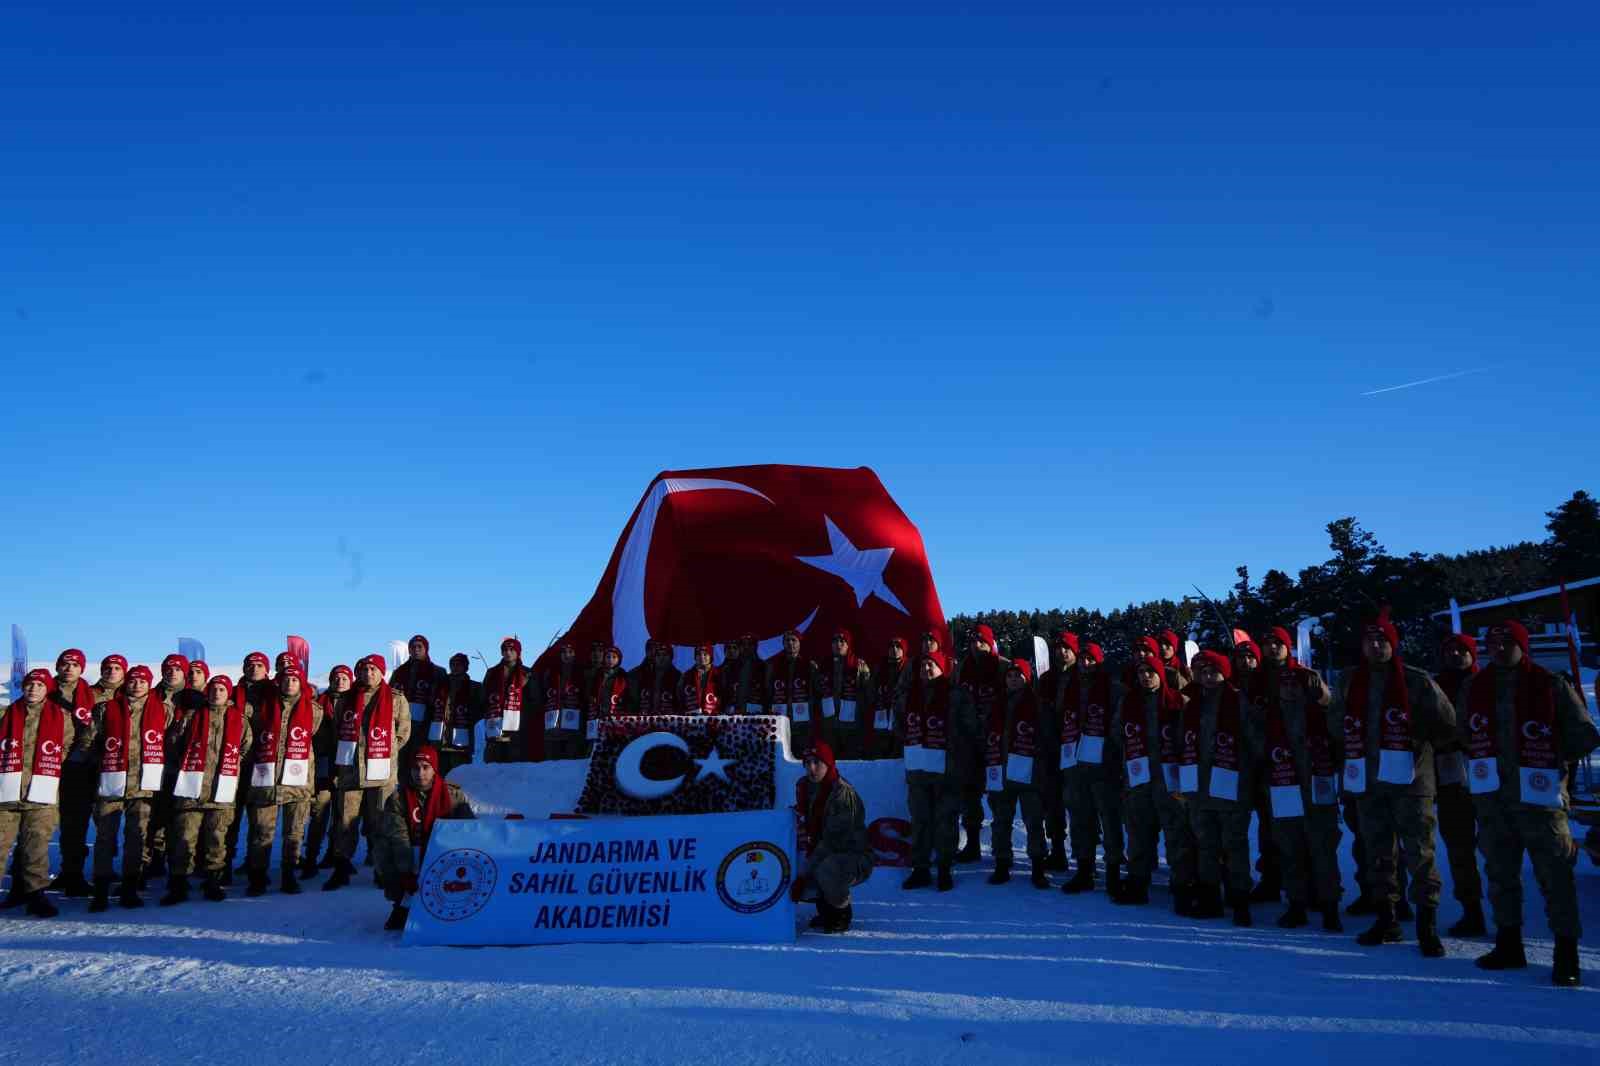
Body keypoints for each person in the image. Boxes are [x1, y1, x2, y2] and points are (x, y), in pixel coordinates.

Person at [1463, 620, 1599, 987]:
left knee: (1556, 876)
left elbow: (1586, 735)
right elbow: (1463, 732)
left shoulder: (1551, 685)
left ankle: (1566, 953)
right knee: (1500, 874)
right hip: (1494, 800)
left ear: (1523, 645)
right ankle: (1509, 944)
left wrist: (1553, 758)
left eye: (1507, 641)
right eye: (1493, 641)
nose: (1499, 648)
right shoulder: (1476, 687)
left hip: (1541, 800)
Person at [1334, 609, 1456, 957]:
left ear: (1393, 644)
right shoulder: (1348, 681)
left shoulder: (1417, 681)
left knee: (1420, 852)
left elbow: (1448, 725)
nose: (1375, 645)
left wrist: (1416, 742)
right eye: (1370, 640)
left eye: (1382, 640)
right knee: (1378, 851)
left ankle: (1426, 924)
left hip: (1411, 780)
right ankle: (1386, 917)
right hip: (1369, 781)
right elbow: (1334, 723)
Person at [1255, 630, 1342, 931]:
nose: (1290, 689)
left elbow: (1338, 724)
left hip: (1318, 782)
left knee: (1323, 847)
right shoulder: (1269, 716)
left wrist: (1320, 693)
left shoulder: (1318, 710)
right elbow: (1255, 743)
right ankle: (1296, 903)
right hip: (1282, 784)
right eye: (1285, 685)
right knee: (1289, 846)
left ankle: (1329, 904)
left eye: (1295, 684)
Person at [1178, 650, 1260, 925]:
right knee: (1206, 846)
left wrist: (1250, 775)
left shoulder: (1239, 702)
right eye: (1203, 672)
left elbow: (1256, 743)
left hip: (1231, 787)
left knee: (1234, 845)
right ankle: (1210, 897)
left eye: (1214, 671)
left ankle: (1240, 899)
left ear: (1225, 673)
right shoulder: (1191, 704)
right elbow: (1181, 741)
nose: (1208, 677)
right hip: (1199, 788)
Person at [1113, 654, 1194, 909]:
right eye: (1141, 673)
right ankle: (1137, 883)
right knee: (1138, 833)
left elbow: (1192, 739)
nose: (1146, 677)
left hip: (1172, 781)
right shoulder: (1128, 702)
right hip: (1139, 779)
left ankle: (1182, 885)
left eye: (1151, 672)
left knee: (1177, 835)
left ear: (1161, 674)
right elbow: (1117, 736)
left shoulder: (1179, 702)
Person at [164, 673, 251, 905]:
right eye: (213, 689)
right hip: (190, 791)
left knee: (217, 838)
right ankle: (178, 883)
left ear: (228, 693)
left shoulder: (239, 720)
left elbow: (245, 748)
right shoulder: (190, 717)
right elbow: (173, 745)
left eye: (222, 690)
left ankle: (213, 881)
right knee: (183, 837)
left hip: (222, 791)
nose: (217, 693)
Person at [326, 655, 411, 890]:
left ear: (382, 672)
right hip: (350, 772)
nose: (368, 673)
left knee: (380, 823)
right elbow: (337, 731)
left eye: (373, 669)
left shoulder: (396, 699)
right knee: (345, 822)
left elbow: (403, 732)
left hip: (381, 772)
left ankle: (382, 870)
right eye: (364, 669)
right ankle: (341, 867)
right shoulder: (346, 699)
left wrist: (384, 752)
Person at [89, 665, 167, 911]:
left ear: (149, 684)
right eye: (133, 680)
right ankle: (100, 890)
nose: (137, 685)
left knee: (137, 837)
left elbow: (172, 741)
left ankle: (130, 887)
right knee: (104, 838)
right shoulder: (104, 709)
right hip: (110, 783)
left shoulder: (164, 710)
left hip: (144, 786)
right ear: (126, 683)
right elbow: (90, 741)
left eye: (143, 681)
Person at [897, 652, 977, 891]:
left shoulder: (957, 696)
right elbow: (899, 725)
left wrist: (955, 751)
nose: (927, 669)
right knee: (920, 819)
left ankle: (944, 868)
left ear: (943, 668)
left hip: (947, 770)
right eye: (923, 665)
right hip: (918, 767)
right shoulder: (908, 695)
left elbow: (970, 729)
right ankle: (920, 868)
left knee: (946, 820)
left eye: (931, 665)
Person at [243, 663, 323, 896]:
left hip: (298, 783)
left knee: (294, 832)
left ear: (302, 684)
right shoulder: (261, 708)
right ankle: (258, 877)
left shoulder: (315, 711)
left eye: (295, 680)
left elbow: (319, 738)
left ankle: (289, 875)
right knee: (262, 831)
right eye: (286, 680)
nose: (290, 684)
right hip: (265, 780)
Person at [0, 670, 74, 917]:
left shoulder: (61, 717)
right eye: (30, 685)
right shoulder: (6, 714)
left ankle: (35, 894)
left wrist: (53, 764)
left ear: (47, 690)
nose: (33, 689)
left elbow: (72, 743)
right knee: (1, 843)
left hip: (42, 790)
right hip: (6, 791)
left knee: (36, 845)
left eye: (39, 686)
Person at [377, 745, 473, 931]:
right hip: (409, 853)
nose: (420, 773)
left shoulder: (453, 795)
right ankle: (402, 903)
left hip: (443, 854)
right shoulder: (398, 799)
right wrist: (406, 874)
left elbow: (469, 830)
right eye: (416, 767)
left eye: (425, 767)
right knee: (383, 847)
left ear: (434, 769)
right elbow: (399, 839)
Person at [1058, 642, 1124, 897]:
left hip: (1103, 764)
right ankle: (1084, 869)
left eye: (1090, 660)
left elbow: (1121, 724)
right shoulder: (1069, 688)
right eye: (1082, 659)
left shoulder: (1114, 689)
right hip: (1074, 763)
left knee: (1109, 819)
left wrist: (1110, 749)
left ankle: (1113, 872)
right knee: (1080, 818)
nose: (1085, 664)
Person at [1433, 633, 1487, 937]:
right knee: (1459, 846)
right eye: (1450, 650)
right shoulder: (1435, 684)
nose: (1455, 654)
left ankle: (1510, 916)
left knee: (1498, 848)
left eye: (1461, 650)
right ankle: (1472, 910)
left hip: (1491, 776)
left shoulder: (1489, 682)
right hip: (1451, 775)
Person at [46, 649, 110, 899]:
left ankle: (73, 873)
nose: (69, 668)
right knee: (38, 823)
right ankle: (26, 878)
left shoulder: (91, 696)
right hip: (45, 764)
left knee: (76, 823)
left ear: (82, 669)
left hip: (79, 766)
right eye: (65, 663)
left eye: (75, 664)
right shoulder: (44, 691)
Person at [791, 741, 872, 932]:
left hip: (853, 855)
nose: (811, 768)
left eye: (817, 762)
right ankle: (825, 911)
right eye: (807, 762)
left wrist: (805, 874)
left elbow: (834, 841)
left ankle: (841, 913)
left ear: (829, 764)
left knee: (825, 869)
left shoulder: (842, 794)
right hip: (824, 851)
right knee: (802, 866)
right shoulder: (806, 787)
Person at [984, 659, 1050, 888]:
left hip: (1029, 771)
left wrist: (1039, 762)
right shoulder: (997, 704)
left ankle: (1038, 866)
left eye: (1018, 675)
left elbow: (1047, 736)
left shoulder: (1038, 704)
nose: (1013, 679)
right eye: (1010, 675)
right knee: (1001, 819)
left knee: (1033, 819)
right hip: (1001, 769)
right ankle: (1002, 862)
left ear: (1027, 678)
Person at [954, 625, 1007, 863]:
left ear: (990, 644)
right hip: (967, 741)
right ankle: (973, 844)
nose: (977, 647)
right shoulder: (961, 669)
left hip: (995, 742)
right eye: (973, 642)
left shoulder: (1004, 667)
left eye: (982, 642)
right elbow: (953, 701)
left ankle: (1001, 850)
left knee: (998, 796)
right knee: (969, 794)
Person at [221, 651, 273, 883]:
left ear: (267, 669)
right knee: (228, 819)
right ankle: (223, 865)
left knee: (260, 820)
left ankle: (255, 866)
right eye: (250, 665)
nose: (254, 668)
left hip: (263, 761)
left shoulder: (275, 693)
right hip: (234, 763)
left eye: (259, 665)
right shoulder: (231, 692)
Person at [144, 652, 191, 881]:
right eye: (169, 669)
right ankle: (151, 861)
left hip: (181, 767)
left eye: (177, 669)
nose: (172, 673)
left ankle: (177, 864)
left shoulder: (193, 698)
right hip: (151, 765)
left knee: (178, 819)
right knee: (151, 817)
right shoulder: (149, 696)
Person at [300, 664, 350, 878]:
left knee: (343, 815)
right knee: (319, 812)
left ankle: (336, 854)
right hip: (323, 763)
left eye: (344, 678)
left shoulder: (355, 703)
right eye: (336, 678)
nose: (339, 681)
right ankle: (311, 856)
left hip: (347, 767)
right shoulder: (318, 703)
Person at [1032, 632, 1077, 872]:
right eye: (1059, 648)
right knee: (1053, 802)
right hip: (1050, 749)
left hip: (1078, 750)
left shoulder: (1083, 677)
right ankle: (1058, 849)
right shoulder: (1047, 680)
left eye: (1067, 648)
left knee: (1081, 805)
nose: (1062, 652)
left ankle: (1085, 857)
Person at [391, 635, 447, 765]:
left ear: (426, 649)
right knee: (401, 755)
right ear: (409, 650)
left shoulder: (438, 672)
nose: (416, 649)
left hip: (426, 722)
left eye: (419, 647)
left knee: (421, 755)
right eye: (413, 647)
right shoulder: (399, 672)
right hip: (401, 722)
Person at [766, 630, 823, 752]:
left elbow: (818, 691)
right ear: (783, 643)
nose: (790, 643)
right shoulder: (774, 666)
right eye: (787, 640)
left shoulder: (809, 665)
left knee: (802, 753)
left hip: (803, 719)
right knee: (782, 753)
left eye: (794, 640)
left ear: (799, 643)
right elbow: (768, 691)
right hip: (781, 718)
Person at [818, 630, 871, 758]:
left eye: (842, 641)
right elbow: (816, 690)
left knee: (851, 759)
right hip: (829, 722)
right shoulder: (823, 665)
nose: (838, 644)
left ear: (848, 645)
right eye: (835, 641)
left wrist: (861, 713)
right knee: (830, 758)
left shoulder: (859, 665)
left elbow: (868, 692)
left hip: (851, 723)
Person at [482, 637, 531, 763]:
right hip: (495, 722)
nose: (508, 652)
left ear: (518, 652)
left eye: (511, 649)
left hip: (517, 726)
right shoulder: (492, 672)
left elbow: (533, 699)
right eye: (505, 649)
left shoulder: (527, 673)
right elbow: (484, 696)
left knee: (514, 762)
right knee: (493, 761)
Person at [437, 653, 484, 775]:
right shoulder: (440, 685)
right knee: (440, 774)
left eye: (459, 664)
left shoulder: (475, 687)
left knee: (460, 775)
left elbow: (481, 710)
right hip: (440, 737)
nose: (455, 667)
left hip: (462, 739)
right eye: (453, 664)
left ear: (466, 667)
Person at [541, 642, 587, 758]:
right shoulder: (550, 672)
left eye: (570, 652)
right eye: (564, 652)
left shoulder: (582, 672)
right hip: (554, 717)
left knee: (571, 752)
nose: (567, 655)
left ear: (575, 654)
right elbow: (543, 693)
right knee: (552, 754)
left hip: (574, 716)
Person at [869, 638, 911, 760]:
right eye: (891, 646)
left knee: (899, 755)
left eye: (898, 646)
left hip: (902, 718)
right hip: (882, 716)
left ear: (904, 650)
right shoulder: (879, 668)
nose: (894, 649)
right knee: (881, 754)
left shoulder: (910, 668)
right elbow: (870, 692)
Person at [587, 646, 630, 743]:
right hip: (598, 715)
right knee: (596, 743)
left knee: (614, 742)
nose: (610, 660)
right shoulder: (598, 674)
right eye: (608, 657)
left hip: (615, 715)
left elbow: (628, 696)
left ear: (619, 659)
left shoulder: (623, 676)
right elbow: (591, 692)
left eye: (614, 657)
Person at [631, 641, 680, 716]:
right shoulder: (643, 674)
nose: (661, 658)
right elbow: (635, 699)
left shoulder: (678, 676)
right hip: (646, 717)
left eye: (665, 655)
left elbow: (681, 702)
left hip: (669, 718)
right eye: (658, 655)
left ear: (671, 657)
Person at [722, 634, 763, 714]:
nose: (746, 647)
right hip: (734, 712)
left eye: (750, 644)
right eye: (743, 644)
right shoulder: (729, 667)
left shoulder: (763, 666)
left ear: (755, 646)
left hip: (757, 710)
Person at [679, 644, 723, 715]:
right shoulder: (687, 675)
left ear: (710, 656)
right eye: (699, 654)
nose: (702, 657)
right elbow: (680, 694)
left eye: (705, 654)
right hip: (692, 715)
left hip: (713, 714)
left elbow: (723, 694)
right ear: (695, 657)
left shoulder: (718, 674)